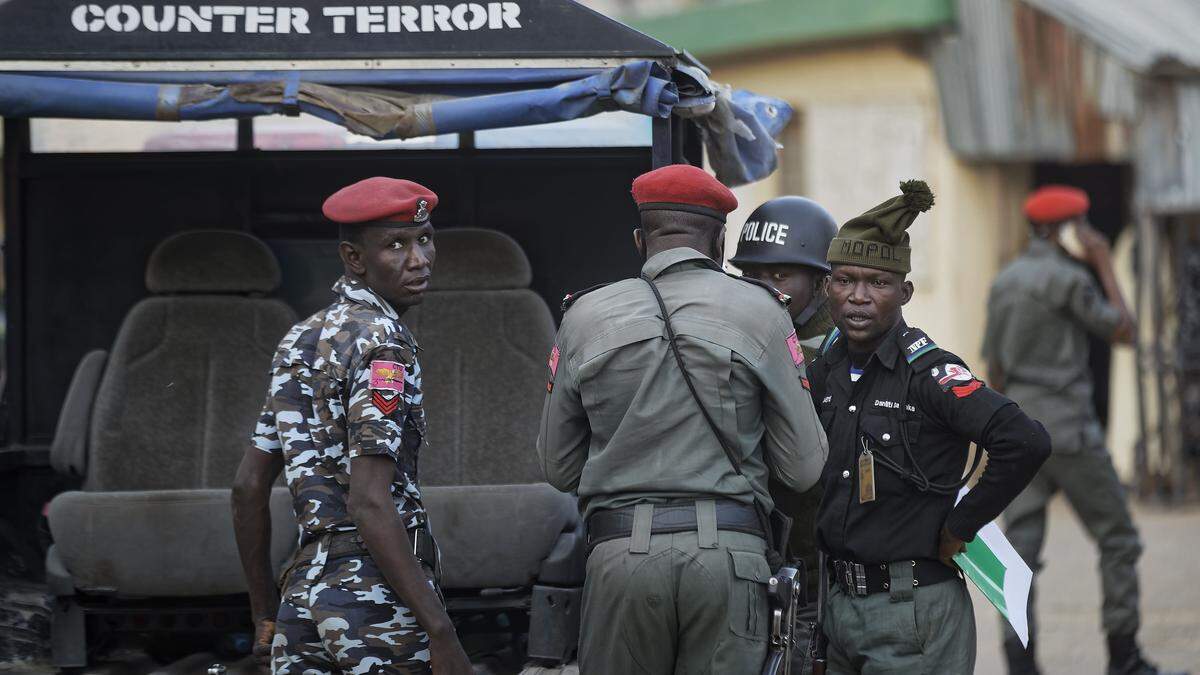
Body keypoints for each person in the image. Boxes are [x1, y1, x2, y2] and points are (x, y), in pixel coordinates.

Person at [537, 164, 828, 674]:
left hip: (619, 558)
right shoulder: (761, 312)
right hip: (731, 560)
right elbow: (803, 468)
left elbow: (558, 469)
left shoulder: (583, 315)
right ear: (719, 244)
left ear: (638, 239)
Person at [230, 177, 472, 674]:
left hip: (302, 595)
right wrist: (440, 631)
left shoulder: (299, 339)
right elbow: (368, 499)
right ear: (354, 258)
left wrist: (263, 612)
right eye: (396, 245)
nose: (419, 259)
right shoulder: (384, 342)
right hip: (375, 596)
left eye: (424, 238)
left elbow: (248, 488)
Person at [808, 180, 1051, 673]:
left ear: (905, 292)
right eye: (845, 280)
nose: (858, 297)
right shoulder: (822, 369)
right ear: (826, 287)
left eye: (877, 282)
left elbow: (1024, 441)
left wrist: (962, 527)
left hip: (912, 611)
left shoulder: (930, 373)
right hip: (839, 609)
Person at [984, 185, 1185, 675]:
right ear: (1061, 230)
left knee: (1019, 554)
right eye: (1084, 226)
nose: (1092, 235)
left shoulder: (1005, 280)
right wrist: (1104, 263)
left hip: (1020, 434)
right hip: (1070, 432)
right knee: (1118, 538)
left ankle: (1021, 665)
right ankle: (1125, 659)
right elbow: (1125, 332)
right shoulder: (1069, 278)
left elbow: (995, 370)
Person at [729, 196, 839, 673]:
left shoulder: (840, 346)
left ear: (819, 283)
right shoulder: (736, 334)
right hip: (762, 554)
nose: (764, 290)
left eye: (780, 278)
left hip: (822, 561)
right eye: (753, 277)